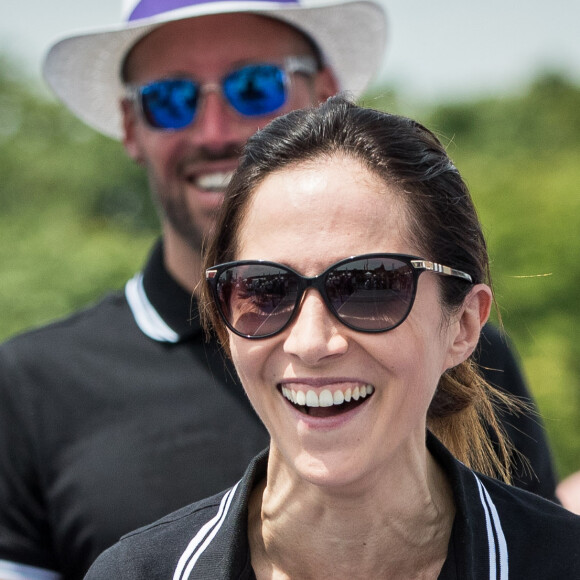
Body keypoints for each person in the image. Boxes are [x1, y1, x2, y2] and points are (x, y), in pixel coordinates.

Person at [0, 1, 559, 579]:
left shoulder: (475, 356)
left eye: (370, 287)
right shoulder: (32, 387)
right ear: (128, 125)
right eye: (170, 99)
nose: (311, 342)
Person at [84, 96, 580, 580]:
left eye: (371, 286)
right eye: (264, 288)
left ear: (465, 324)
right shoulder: (140, 571)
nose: (311, 342)